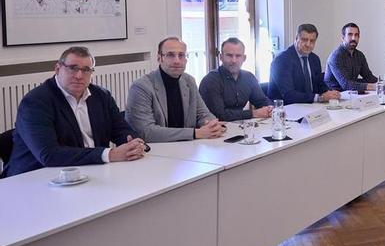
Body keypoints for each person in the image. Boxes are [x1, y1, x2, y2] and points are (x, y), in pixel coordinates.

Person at [4, 46, 146, 177]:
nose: (79, 75)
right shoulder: (36, 102)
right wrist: (110, 154)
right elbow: (49, 155)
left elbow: (121, 130)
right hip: (35, 178)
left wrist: (134, 144)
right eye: (72, 68)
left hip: (89, 172)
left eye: (86, 70)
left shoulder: (101, 96)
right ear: (58, 69)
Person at [126, 37, 225, 142]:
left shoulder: (189, 81)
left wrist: (212, 125)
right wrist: (195, 133)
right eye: (170, 55)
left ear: (186, 59)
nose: (177, 61)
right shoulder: (141, 87)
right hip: (156, 151)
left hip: (186, 148)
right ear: (159, 58)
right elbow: (146, 132)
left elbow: (203, 114)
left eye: (181, 55)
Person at [198, 37, 272, 121]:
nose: (234, 60)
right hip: (218, 128)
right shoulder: (210, 80)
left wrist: (271, 109)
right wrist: (253, 113)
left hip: (241, 126)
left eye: (238, 56)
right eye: (229, 55)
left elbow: (261, 101)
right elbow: (219, 114)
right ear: (221, 57)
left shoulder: (249, 77)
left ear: (244, 58)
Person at [269, 24, 341, 103]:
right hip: (285, 109)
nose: (308, 44)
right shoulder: (282, 60)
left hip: (309, 107)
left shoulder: (314, 59)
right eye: (304, 40)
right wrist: (320, 97)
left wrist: (330, 93)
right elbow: (288, 95)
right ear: (296, 38)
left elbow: (320, 86)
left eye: (312, 41)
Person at [325, 23, 385, 92]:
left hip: (352, 94)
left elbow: (368, 76)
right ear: (342, 37)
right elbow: (346, 84)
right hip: (334, 97)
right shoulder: (336, 56)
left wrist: (383, 82)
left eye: (356, 35)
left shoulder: (359, 55)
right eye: (350, 34)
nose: (353, 38)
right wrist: (377, 86)